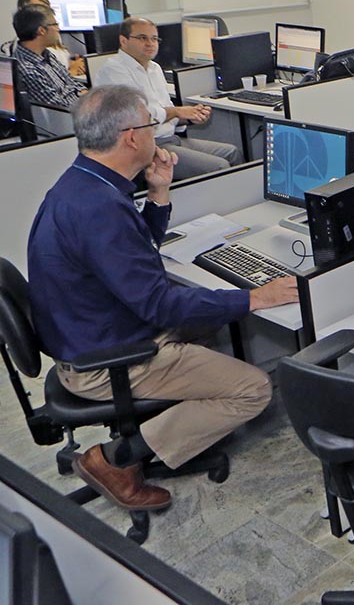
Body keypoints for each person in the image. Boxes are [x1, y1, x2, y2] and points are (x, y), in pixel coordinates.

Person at [27, 85, 298, 511]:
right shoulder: (98, 208)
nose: (157, 134)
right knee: (254, 388)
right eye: (151, 125)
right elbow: (160, 304)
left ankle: (170, 408)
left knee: (208, 317)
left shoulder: (85, 184)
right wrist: (254, 298)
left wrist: (158, 194)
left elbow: (132, 255)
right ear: (131, 137)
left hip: (92, 333)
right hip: (107, 359)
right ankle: (118, 459)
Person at [93, 17, 242, 180]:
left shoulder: (154, 68)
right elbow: (139, 118)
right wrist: (178, 111)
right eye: (143, 38)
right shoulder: (113, 70)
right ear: (124, 40)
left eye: (154, 38)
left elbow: (166, 113)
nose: (150, 43)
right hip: (143, 148)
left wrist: (190, 118)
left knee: (232, 152)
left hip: (169, 139)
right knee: (219, 166)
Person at [10, 4, 86, 108]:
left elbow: (72, 83)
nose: (58, 28)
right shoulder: (27, 69)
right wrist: (87, 101)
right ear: (42, 30)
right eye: (55, 24)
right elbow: (59, 108)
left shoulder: (46, 54)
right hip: (68, 118)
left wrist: (84, 94)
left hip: (80, 108)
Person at [2, 0, 85, 77]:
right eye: (37, 8)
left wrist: (72, 63)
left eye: (46, 8)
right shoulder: (29, 49)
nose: (44, 13)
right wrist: (71, 70)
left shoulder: (50, 38)